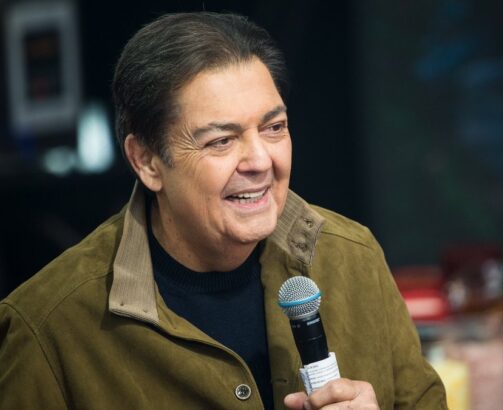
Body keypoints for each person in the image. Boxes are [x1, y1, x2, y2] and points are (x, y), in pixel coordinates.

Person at [0, 12, 447, 409]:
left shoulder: (353, 257)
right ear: (147, 162)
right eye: (221, 141)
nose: (260, 161)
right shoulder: (48, 326)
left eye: (274, 128)